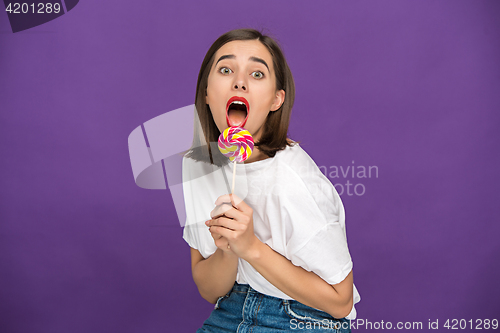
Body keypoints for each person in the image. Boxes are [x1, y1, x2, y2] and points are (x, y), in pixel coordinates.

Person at [182, 28, 360, 332]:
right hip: (230, 310)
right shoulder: (198, 166)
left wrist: (250, 247)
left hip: (304, 317)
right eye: (226, 70)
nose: (239, 81)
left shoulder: (294, 179)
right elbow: (210, 290)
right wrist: (228, 249)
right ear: (207, 93)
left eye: (257, 74)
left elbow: (340, 301)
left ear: (277, 99)